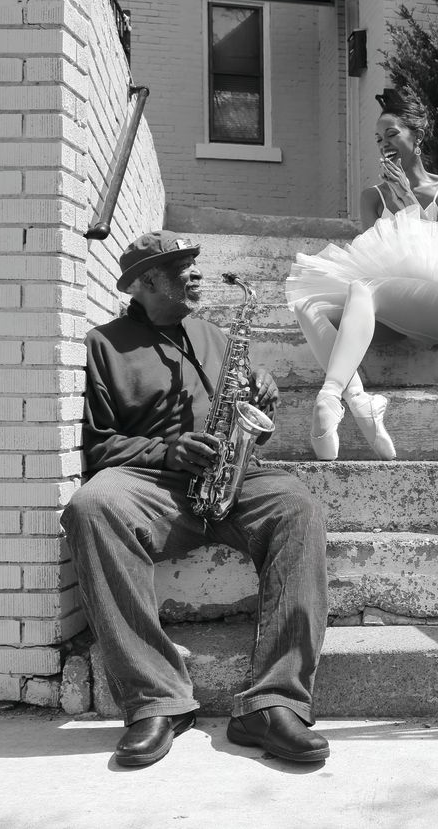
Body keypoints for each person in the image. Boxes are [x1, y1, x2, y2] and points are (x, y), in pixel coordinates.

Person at [61, 231, 331, 768]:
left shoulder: (214, 334)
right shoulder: (102, 344)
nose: (196, 272)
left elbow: (246, 418)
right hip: (155, 483)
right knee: (91, 506)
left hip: (235, 476)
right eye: (181, 265)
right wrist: (167, 451)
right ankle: (156, 699)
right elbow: (99, 445)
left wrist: (261, 395)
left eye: (193, 262)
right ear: (144, 283)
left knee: (301, 506)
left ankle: (274, 702)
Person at [288, 88, 438, 461]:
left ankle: (329, 395)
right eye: (378, 139)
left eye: (392, 135)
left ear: (416, 138)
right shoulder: (372, 198)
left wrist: (407, 203)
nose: (384, 144)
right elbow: (372, 256)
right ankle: (358, 400)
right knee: (308, 304)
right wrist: (393, 198)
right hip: (389, 314)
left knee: (363, 289)